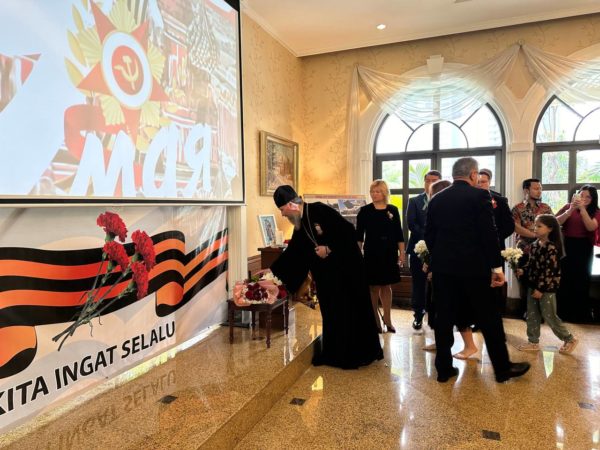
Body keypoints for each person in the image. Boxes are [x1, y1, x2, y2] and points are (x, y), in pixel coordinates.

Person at [425, 157, 530, 383]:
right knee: (489, 317)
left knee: (444, 318)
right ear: (473, 174)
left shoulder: (436, 199)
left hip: (443, 270)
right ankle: (502, 368)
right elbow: (488, 234)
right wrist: (496, 268)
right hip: (474, 270)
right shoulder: (479, 196)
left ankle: (443, 369)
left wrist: (440, 259)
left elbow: (429, 236)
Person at [270, 185, 384, 369]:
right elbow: (294, 253)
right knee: (332, 313)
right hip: (327, 277)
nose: (283, 214)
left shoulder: (319, 210)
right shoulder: (300, 224)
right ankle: (333, 353)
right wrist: (272, 274)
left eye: (282, 210)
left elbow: (348, 232)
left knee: (348, 312)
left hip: (347, 272)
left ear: (291, 205)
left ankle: (353, 355)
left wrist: (328, 248)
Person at [424, 178, 478, 359]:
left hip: (453, 270)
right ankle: (442, 342)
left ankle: (470, 346)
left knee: (459, 309)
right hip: (444, 266)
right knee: (438, 309)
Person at [517, 214, 578, 353]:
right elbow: (531, 264)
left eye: (539, 226)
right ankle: (533, 342)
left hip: (546, 288)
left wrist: (541, 289)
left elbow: (550, 271)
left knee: (549, 316)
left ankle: (569, 339)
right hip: (533, 285)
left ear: (550, 228)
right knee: (532, 315)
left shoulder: (552, 248)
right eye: (535, 225)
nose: (535, 228)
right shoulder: (534, 245)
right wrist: (523, 270)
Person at [356, 180, 406, 334]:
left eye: (377, 191)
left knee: (386, 286)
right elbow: (359, 236)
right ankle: (375, 320)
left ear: (384, 193)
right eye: (372, 191)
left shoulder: (393, 210)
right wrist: (358, 254)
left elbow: (399, 233)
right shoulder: (364, 211)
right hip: (372, 252)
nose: (374, 194)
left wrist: (402, 253)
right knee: (373, 287)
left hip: (389, 252)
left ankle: (388, 319)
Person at [556, 185, 600, 323]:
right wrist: (570, 210)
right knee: (565, 278)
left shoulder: (596, 211)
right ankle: (563, 313)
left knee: (581, 279)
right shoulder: (568, 207)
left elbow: (591, 227)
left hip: (584, 247)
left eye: (588, 197)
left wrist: (582, 209)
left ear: (593, 199)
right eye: (582, 195)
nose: (584, 198)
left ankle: (580, 314)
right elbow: (555, 222)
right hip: (567, 245)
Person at [511, 178, 553, 319]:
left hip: (542, 251)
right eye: (536, 188)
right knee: (525, 282)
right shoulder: (517, 208)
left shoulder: (546, 208)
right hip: (524, 251)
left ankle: (541, 313)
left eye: (540, 188)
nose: (539, 191)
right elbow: (516, 227)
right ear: (526, 190)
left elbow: (552, 225)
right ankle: (527, 312)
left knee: (540, 281)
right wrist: (536, 235)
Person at [406, 170, 441, 330]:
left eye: (435, 181)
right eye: (428, 180)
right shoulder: (414, 201)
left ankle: (436, 317)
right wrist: (427, 239)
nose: (431, 183)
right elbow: (411, 224)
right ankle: (418, 315)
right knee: (419, 283)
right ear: (424, 182)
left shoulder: (445, 201)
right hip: (419, 249)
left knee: (439, 284)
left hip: (440, 249)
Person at [477, 168, 515, 314]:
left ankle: (495, 313)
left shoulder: (499, 200)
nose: (480, 184)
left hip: (496, 247)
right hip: (475, 250)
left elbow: (509, 225)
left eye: (483, 182)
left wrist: (494, 238)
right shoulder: (470, 199)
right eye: (478, 182)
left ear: (489, 182)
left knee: (495, 281)